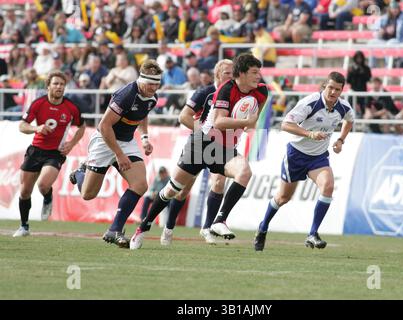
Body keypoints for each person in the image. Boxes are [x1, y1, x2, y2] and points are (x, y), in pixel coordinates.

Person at [130, 52, 268, 250]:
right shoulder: (224, 90)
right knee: (172, 190)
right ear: (242, 73)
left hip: (226, 147)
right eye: (255, 72)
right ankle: (143, 227)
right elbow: (219, 122)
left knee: (244, 171)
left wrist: (250, 122)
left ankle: (219, 221)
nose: (259, 76)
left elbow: (256, 112)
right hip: (202, 144)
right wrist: (246, 122)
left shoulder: (262, 91)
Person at [253, 71, 354, 251]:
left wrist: (341, 140)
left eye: (337, 89)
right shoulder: (310, 103)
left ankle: (312, 234)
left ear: (341, 91)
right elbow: (285, 124)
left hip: (319, 158)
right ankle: (263, 227)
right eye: (330, 87)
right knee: (283, 197)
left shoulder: (344, 108)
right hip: (296, 155)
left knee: (328, 187)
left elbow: (350, 120)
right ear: (324, 86)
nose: (332, 92)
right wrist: (309, 133)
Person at [69, 59, 163, 248]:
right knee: (88, 194)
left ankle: (114, 230)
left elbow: (143, 113)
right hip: (105, 141)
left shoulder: (152, 97)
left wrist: (144, 138)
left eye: (157, 83)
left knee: (140, 184)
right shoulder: (126, 94)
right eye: (150, 83)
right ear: (141, 79)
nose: (153, 87)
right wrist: (119, 155)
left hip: (126, 141)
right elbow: (104, 125)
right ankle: (80, 172)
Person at [158, 59, 234, 246]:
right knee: (182, 190)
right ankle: (168, 228)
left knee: (219, 182)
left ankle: (207, 228)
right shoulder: (205, 92)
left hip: (223, 144)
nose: (231, 76)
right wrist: (204, 132)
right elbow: (183, 116)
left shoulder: (236, 95)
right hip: (200, 142)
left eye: (233, 73)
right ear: (217, 75)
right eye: (227, 73)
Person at [13, 70, 86, 237]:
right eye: (56, 84)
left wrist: (72, 143)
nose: (59, 87)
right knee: (24, 191)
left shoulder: (71, 107)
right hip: (35, 150)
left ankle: (48, 197)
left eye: (62, 84)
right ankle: (24, 226)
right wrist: (35, 128)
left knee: (43, 185)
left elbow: (82, 126)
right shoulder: (38, 103)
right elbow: (22, 125)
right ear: (48, 86)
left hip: (55, 153)